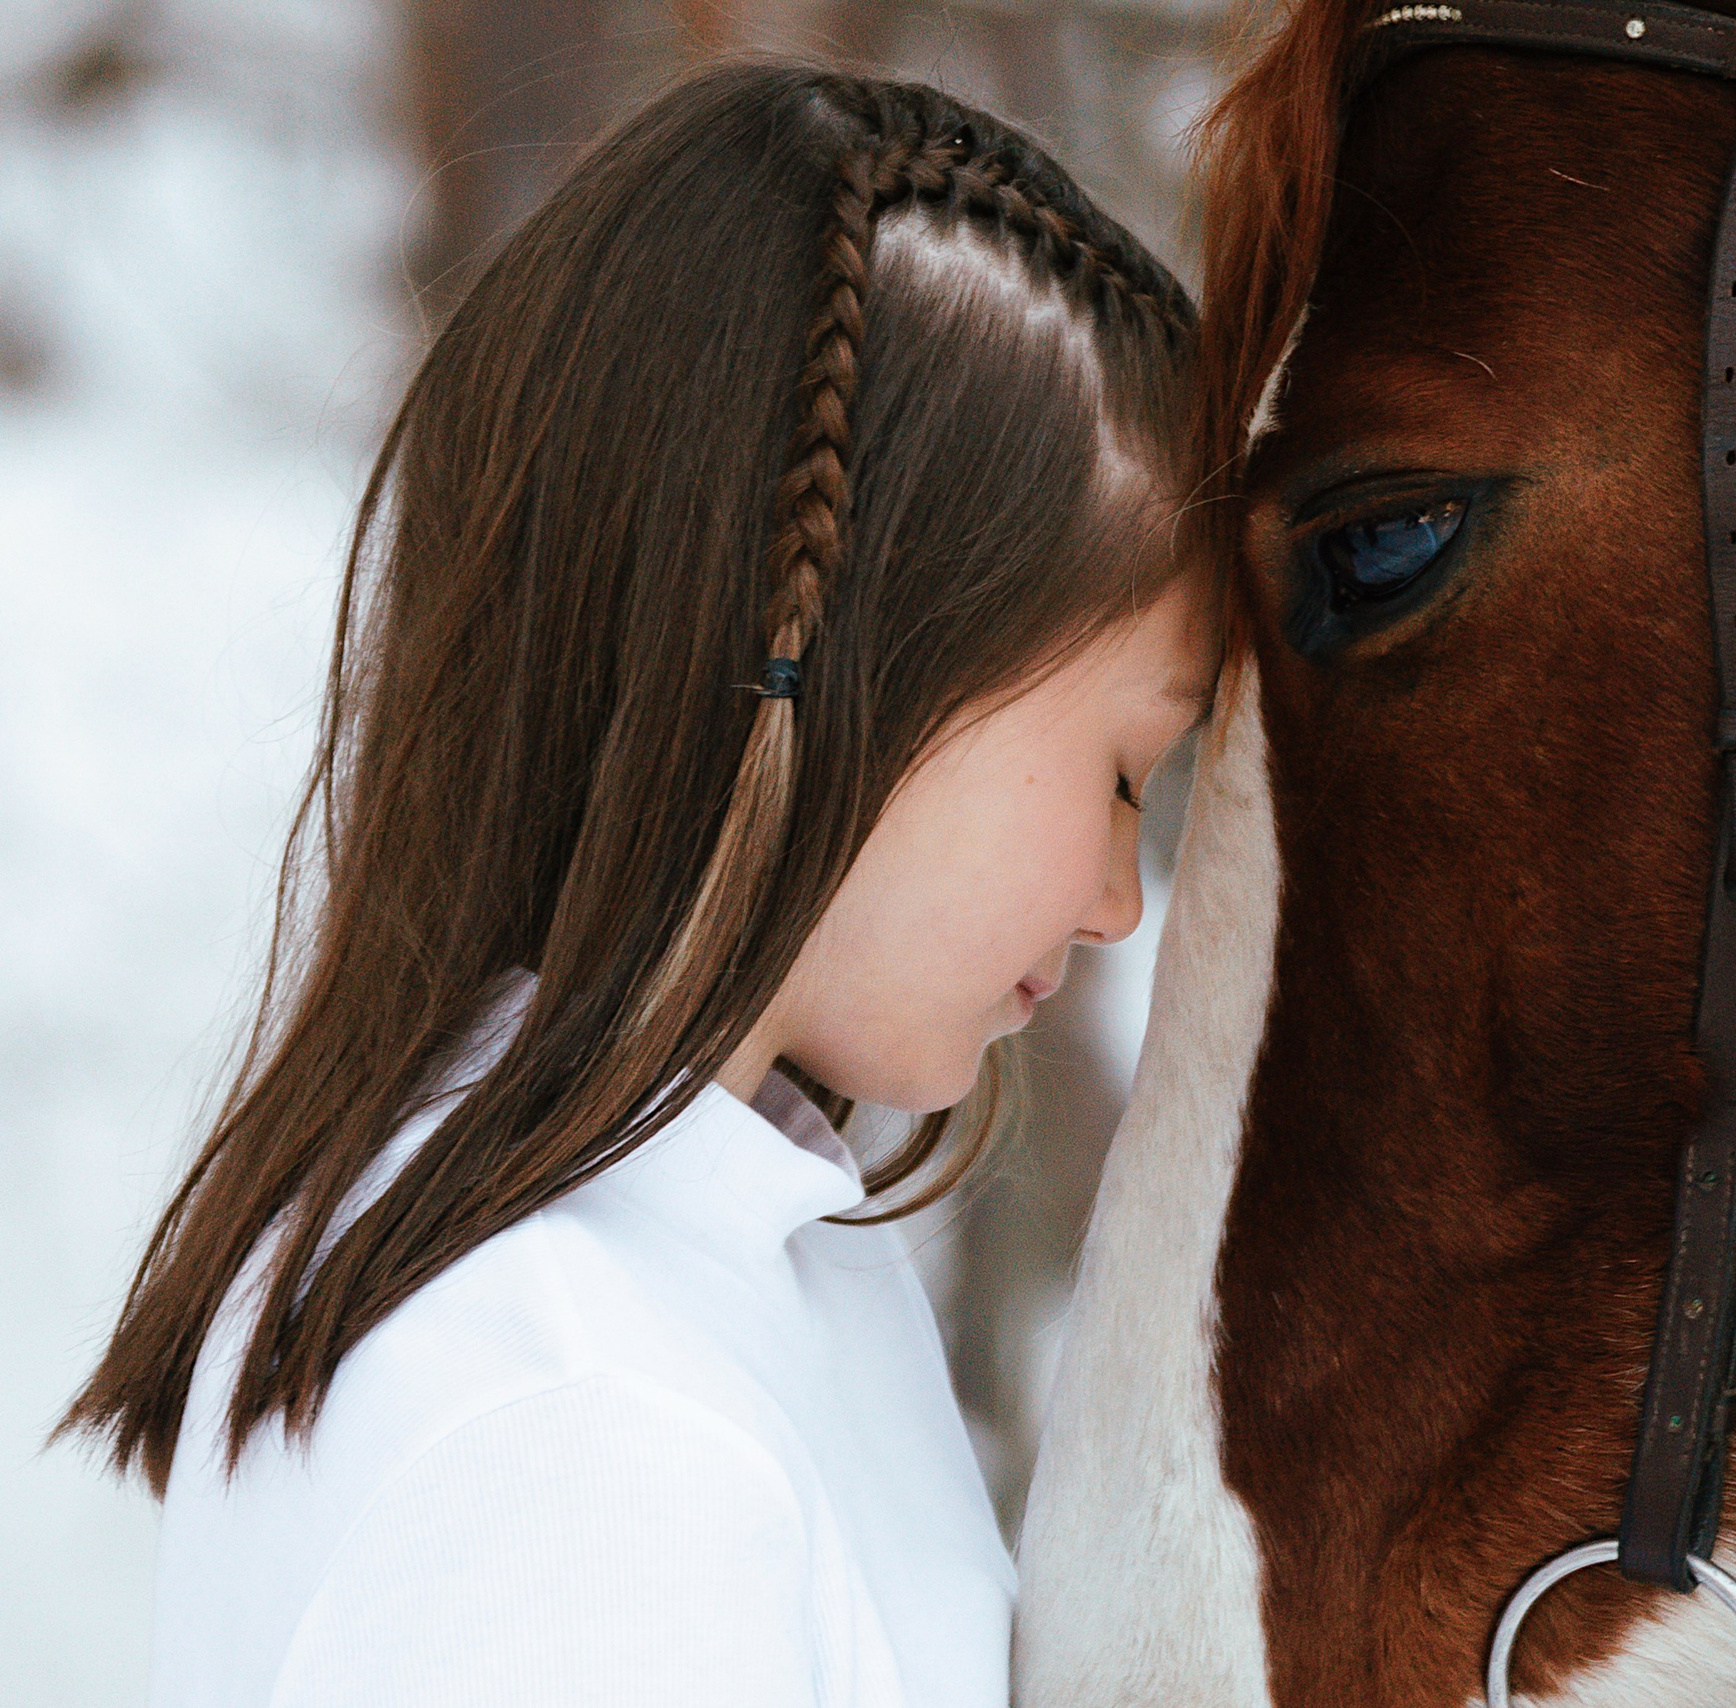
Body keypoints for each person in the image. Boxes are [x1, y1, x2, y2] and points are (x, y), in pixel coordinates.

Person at [57, 62, 1213, 1708]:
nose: (1114, 899)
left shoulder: (716, 1273)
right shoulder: (581, 1437)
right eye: (1120, 768)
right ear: (838, 651)